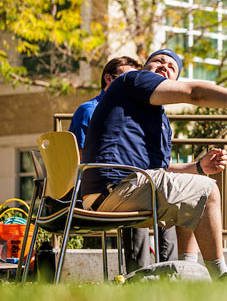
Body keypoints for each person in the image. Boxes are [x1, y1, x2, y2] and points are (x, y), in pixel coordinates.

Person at [81, 48, 227, 279]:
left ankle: (189, 272)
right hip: (116, 188)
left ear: (174, 79)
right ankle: (221, 276)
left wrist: (199, 167)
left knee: (192, 188)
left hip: (117, 191)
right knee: (208, 192)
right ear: (145, 70)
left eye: (171, 67)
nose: (164, 66)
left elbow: (161, 170)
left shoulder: (159, 121)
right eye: (158, 61)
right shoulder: (132, 79)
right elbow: (194, 93)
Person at [69, 56, 179, 272]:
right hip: (99, 188)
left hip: (138, 182)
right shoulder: (90, 110)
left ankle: (171, 274)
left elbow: (161, 164)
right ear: (109, 79)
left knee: (170, 199)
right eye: (129, 77)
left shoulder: (148, 116)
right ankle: (138, 275)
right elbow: (77, 158)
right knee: (135, 191)